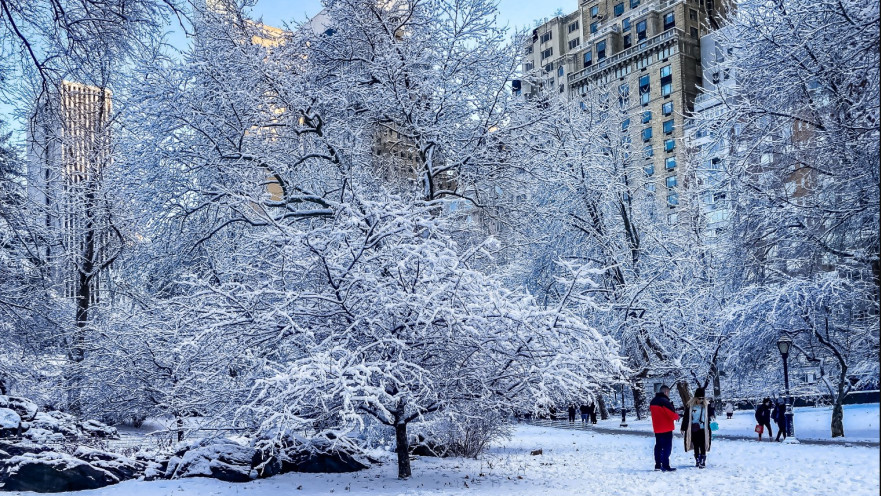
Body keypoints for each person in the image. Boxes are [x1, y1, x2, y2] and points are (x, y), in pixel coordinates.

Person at [650, 385, 680, 472]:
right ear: (666, 392)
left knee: (658, 446)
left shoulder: (653, 401)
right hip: (666, 427)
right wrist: (678, 416)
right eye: (669, 392)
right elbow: (672, 415)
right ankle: (665, 465)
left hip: (657, 427)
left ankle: (657, 465)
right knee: (667, 447)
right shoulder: (665, 402)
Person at [681, 388, 712, 469]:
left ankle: (703, 460)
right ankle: (697, 460)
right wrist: (683, 428)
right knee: (696, 445)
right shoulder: (690, 406)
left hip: (703, 429)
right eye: (699, 398)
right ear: (695, 398)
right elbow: (686, 417)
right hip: (693, 429)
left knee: (703, 444)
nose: (701, 400)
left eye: (702, 398)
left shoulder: (706, 406)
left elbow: (710, 414)